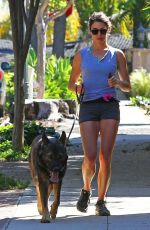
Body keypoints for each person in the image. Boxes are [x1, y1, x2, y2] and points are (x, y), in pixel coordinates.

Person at [68, 11, 131, 216]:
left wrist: (117, 83)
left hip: (109, 105)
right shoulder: (82, 55)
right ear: (90, 32)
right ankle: (86, 189)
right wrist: (79, 87)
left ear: (108, 31)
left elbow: (128, 87)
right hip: (88, 106)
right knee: (90, 157)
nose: (99, 34)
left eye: (103, 30)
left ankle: (101, 201)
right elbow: (71, 84)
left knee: (105, 156)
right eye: (95, 30)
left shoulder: (117, 54)